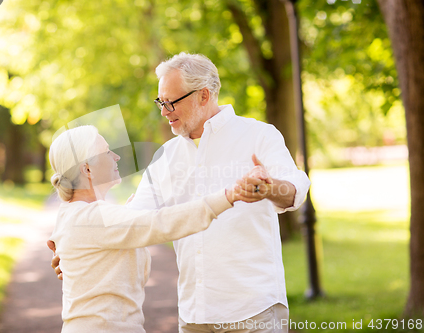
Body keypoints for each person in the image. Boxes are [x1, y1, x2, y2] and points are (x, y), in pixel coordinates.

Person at [50, 52, 311, 332]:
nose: (164, 111)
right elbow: (138, 222)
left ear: (204, 96)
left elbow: (295, 190)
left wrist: (270, 188)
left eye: (171, 102)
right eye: (160, 102)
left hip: (252, 310)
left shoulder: (258, 135)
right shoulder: (167, 156)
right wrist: (78, 251)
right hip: (194, 315)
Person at [47, 124, 266, 333]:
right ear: (87, 168)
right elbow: (163, 222)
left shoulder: (76, 214)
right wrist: (229, 195)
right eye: (106, 152)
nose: (116, 156)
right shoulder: (94, 219)